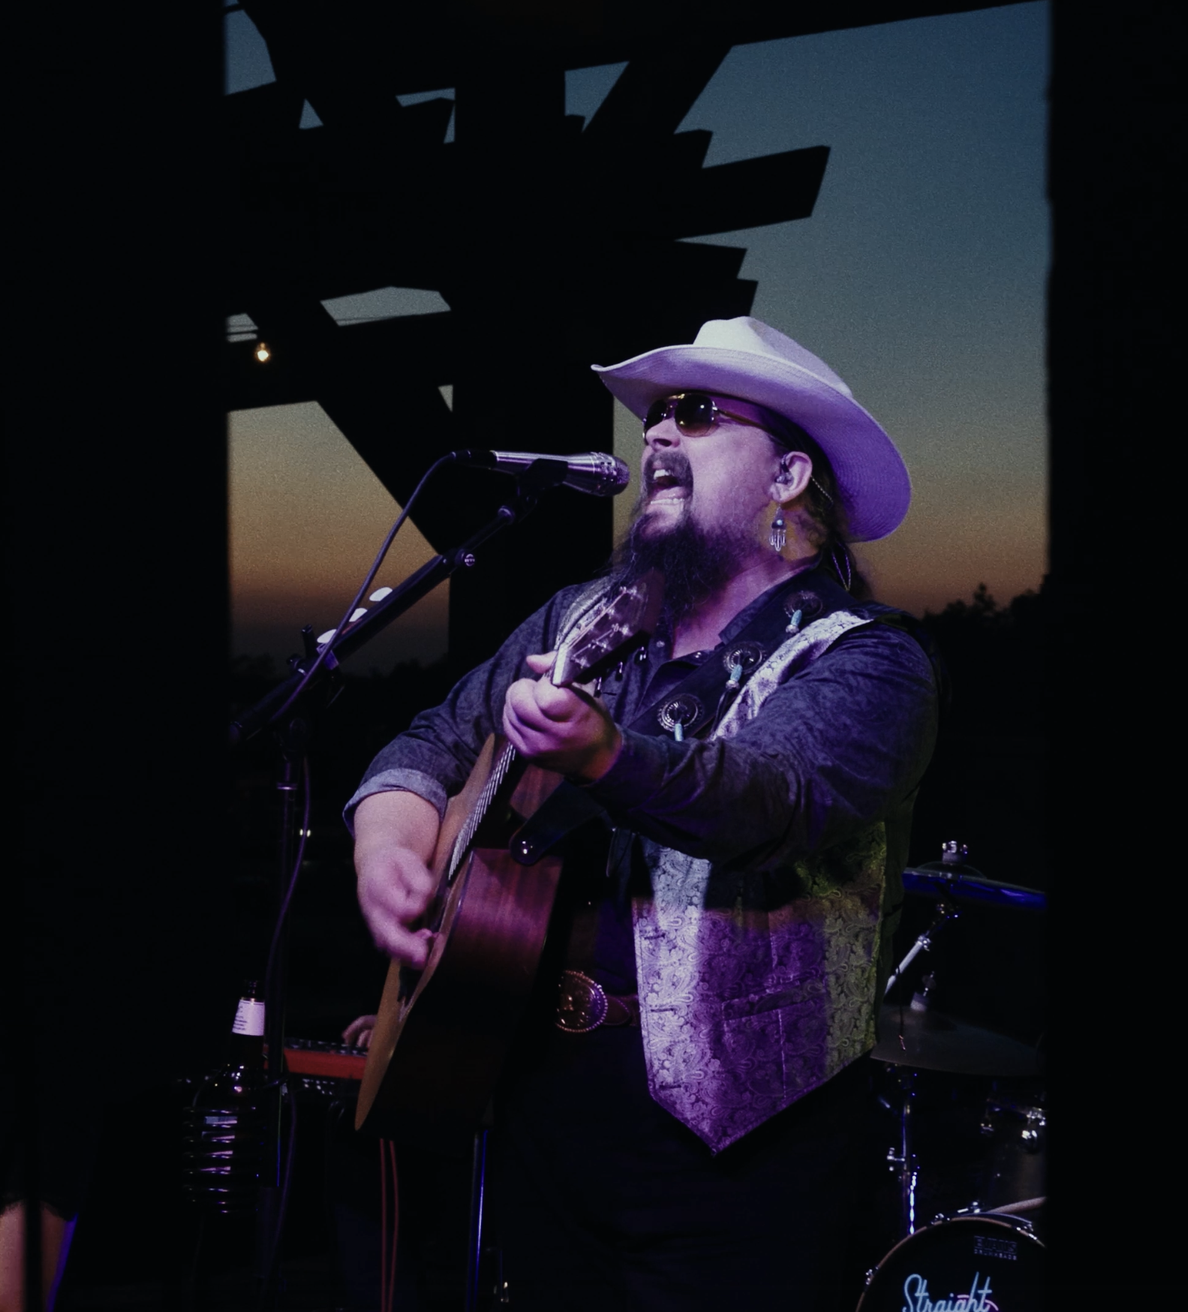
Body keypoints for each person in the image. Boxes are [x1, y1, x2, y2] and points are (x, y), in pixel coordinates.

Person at [346, 317, 937, 1308]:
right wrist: (388, 838)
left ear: (789, 477)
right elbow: (431, 740)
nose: (657, 437)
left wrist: (607, 757)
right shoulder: (580, 616)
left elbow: (774, 798)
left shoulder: (870, 659)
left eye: (696, 415)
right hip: (538, 1107)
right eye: (655, 417)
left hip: (744, 1157)